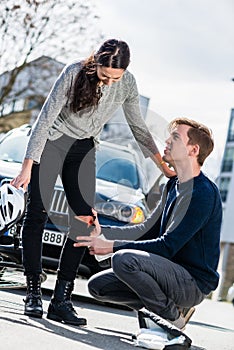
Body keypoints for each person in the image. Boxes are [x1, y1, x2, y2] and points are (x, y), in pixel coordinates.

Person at [11, 38, 174, 326]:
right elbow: (46, 117)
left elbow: (138, 125)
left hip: (83, 149)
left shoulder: (127, 84)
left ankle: (61, 299)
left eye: (116, 77)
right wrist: (27, 166)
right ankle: (33, 292)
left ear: (125, 71)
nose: (110, 82)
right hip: (53, 143)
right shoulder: (74, 73)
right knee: (37, 214)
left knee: (84, 222)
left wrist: (162, 163)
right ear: (95, 64)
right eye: (104, 76)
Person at [74, 117, 222, 331]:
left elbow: (167, 245)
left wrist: (112, 246)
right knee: (99, 287)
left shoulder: (202, 193)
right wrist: (102, 231)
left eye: (175, 138)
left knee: (124, 259)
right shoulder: (173, 185)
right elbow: (145, 230)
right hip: (166, 272)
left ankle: (171, 318)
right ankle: (171, 309)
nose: (167, 142)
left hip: (192, 282)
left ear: (193, 150)